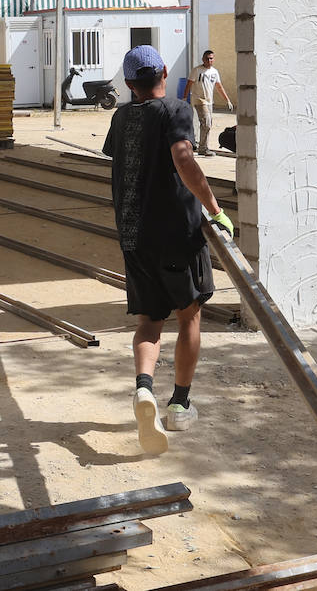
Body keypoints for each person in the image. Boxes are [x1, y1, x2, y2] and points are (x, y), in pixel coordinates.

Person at [104, 45, 233, 456]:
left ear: (128, 84)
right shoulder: (177, 110)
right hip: (176, 233)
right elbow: (183, 159)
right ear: (163, 71)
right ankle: (179, 404)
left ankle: (144, 391)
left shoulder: (121, 115)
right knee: (189, 315)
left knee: (149, 322)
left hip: (133, 235)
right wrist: (215, 209)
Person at [183, 50, 233, 156]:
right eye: (207, 58)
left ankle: (202, 146)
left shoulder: (214, 72)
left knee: (208, 124)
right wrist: (184, 97)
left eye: (211, 58)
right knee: (206, 122)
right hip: (199, 100)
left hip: (209, 101)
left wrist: (227, 100)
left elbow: (219, 87)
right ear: (203, 59)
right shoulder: (196, 70)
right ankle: (203, 148)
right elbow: (189, 84)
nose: (209, 60)